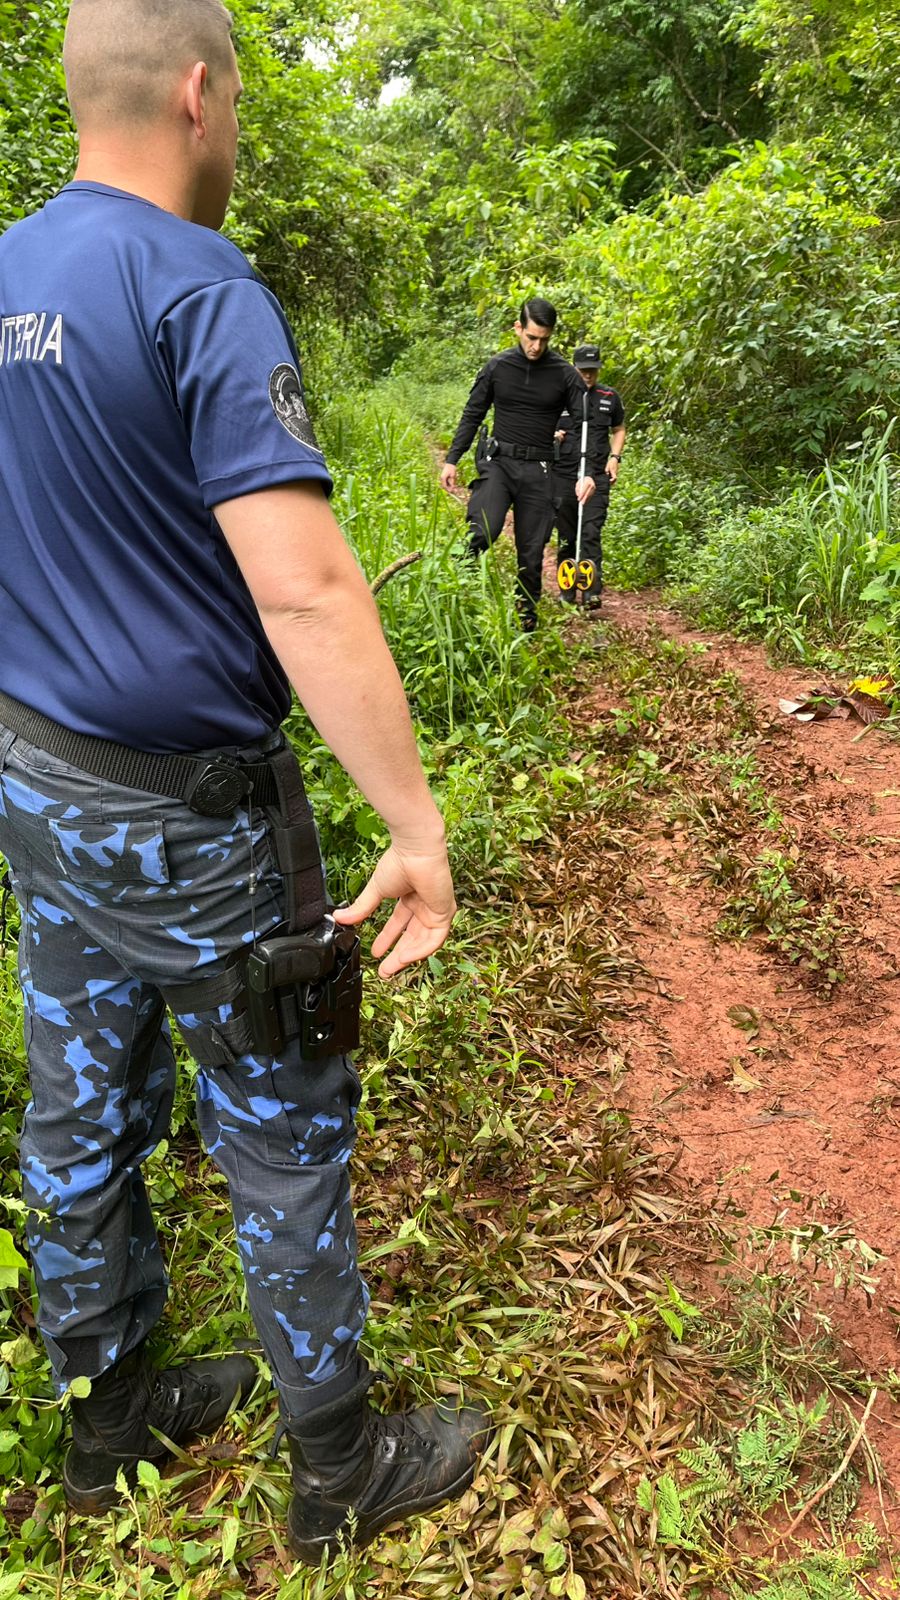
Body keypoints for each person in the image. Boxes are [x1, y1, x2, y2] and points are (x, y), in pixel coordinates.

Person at [0, 0, 488, 1567]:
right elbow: (305, 591)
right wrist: (415, 827)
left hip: (38, 782)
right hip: (193, 819)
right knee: (279, 1123)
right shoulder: (196, 285)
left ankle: (106, 1419)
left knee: (78, 1105)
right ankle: (340, 1466)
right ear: (201, 94)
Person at [439, 298, 595, 632]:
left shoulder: (564, 374)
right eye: (531, 337)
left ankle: (526, 617)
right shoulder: (498, 367)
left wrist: (588, 473)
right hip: (499, 464)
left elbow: (586, 426)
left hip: (539, 469)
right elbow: (473, 412)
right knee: (484, 529)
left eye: (544, 339)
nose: (536, 346)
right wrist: (453, 458)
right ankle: (451, 590)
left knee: (531, 551)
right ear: (518, 328)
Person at [553, 343, 626, 609]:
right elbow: (538, 428)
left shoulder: (609, 396)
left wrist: (614, 458)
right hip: (564, 475)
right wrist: (552, 436)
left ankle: (591, 591)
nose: (588, 376)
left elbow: (618, 429)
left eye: (592, 371)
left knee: (591, 532)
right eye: (583, 370)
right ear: (574, 369)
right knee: (567, 534)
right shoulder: (557, 397)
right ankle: (566, 589)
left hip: (597, 474)